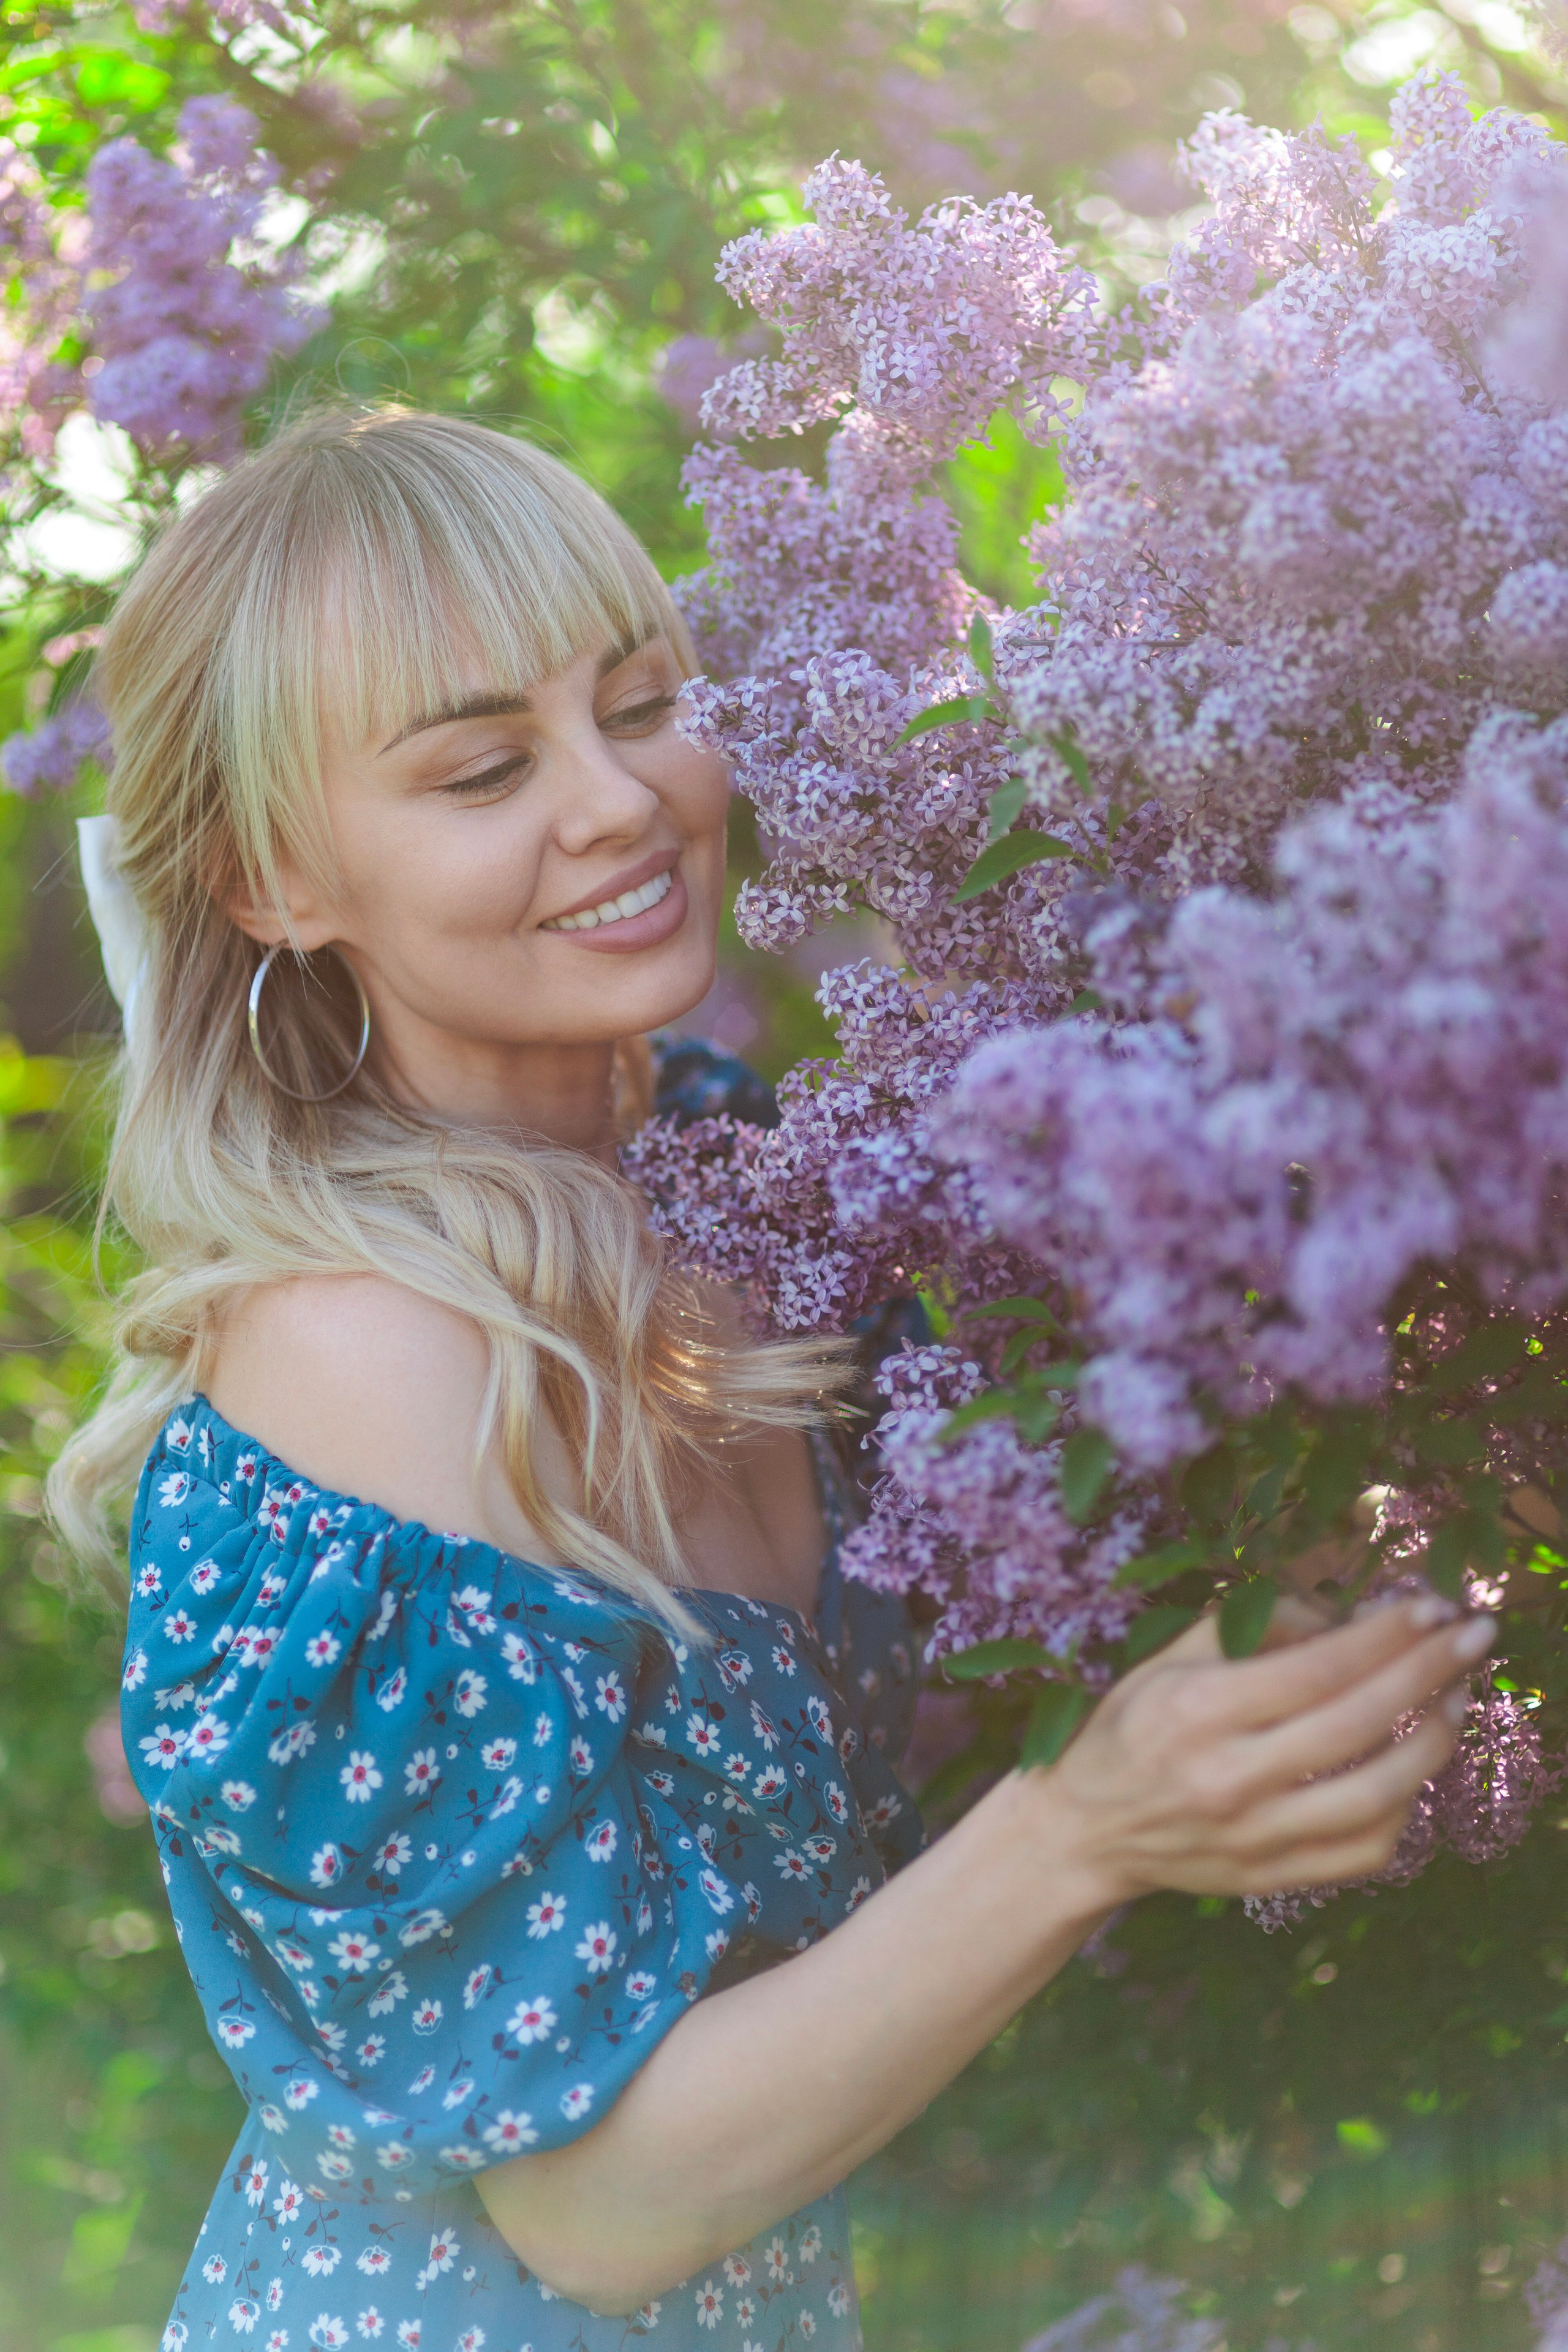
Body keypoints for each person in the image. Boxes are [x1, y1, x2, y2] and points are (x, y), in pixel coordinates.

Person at [48, 406, 1493, 2352]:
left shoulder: (736, 1182)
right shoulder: (362, 1349)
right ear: (273, 887)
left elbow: (823, 1785)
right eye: (484, 766)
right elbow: (595, 2203)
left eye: (640, 703)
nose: (619, 801)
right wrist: (1085, 1831)